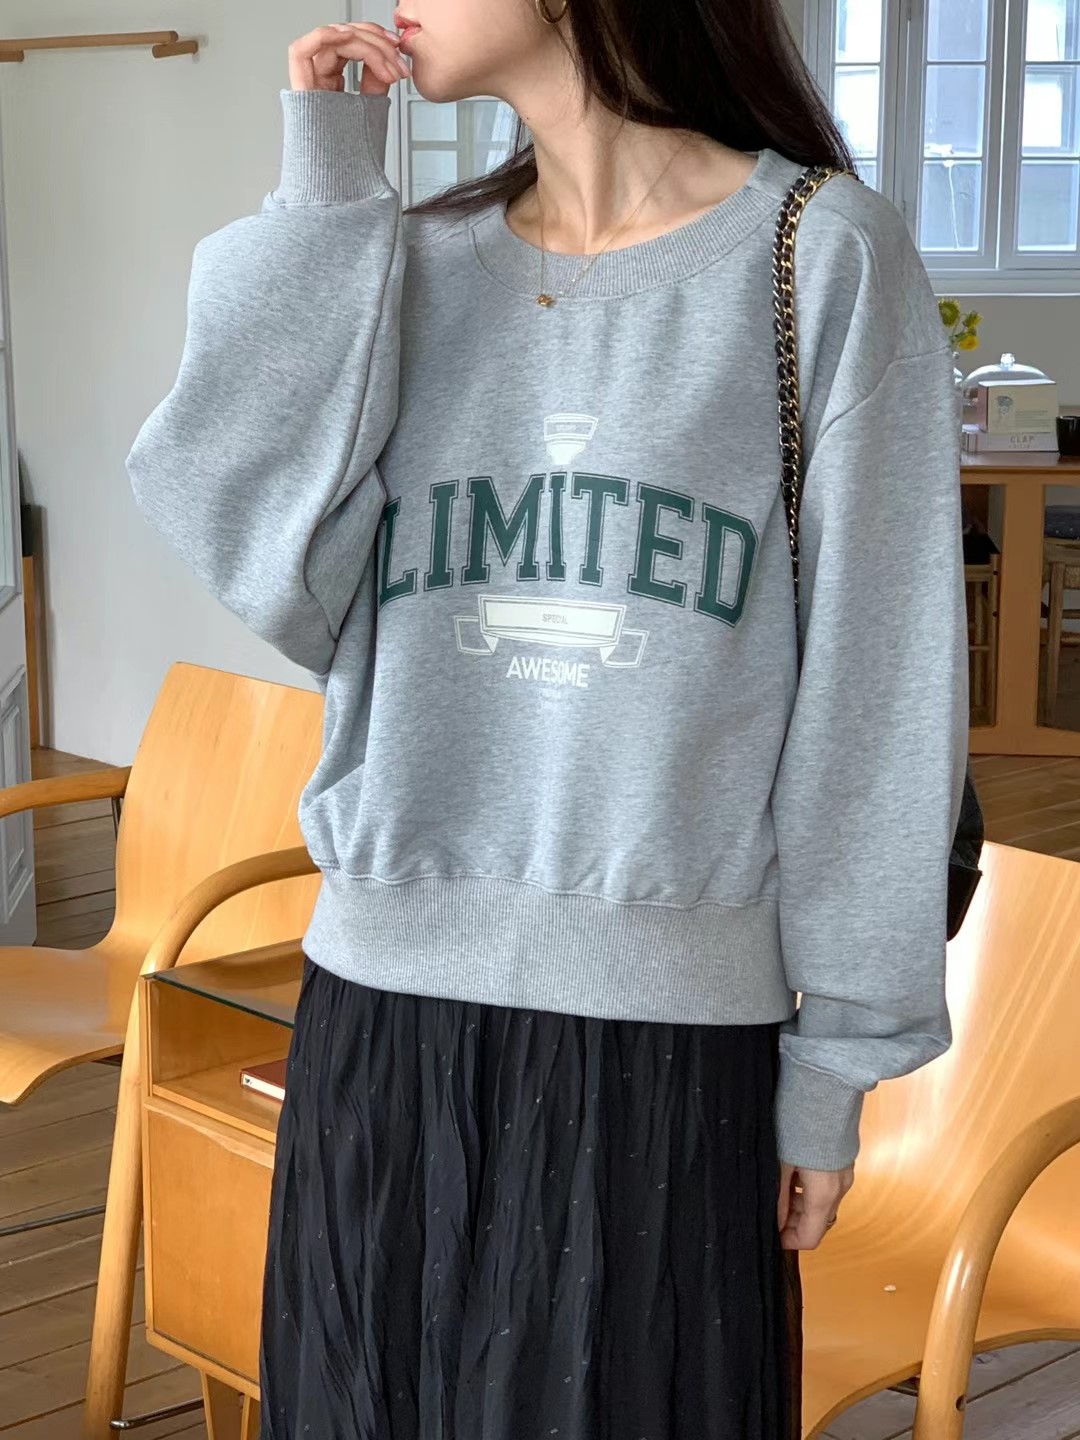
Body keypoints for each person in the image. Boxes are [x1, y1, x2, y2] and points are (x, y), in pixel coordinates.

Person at [125, 0, 969, 1433]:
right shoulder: (406, 263)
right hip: (383, 1011)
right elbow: (268, 558)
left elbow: (878, 694)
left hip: (665, 1038)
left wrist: (838, 1059)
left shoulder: (817, 255)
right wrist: (327, 190)